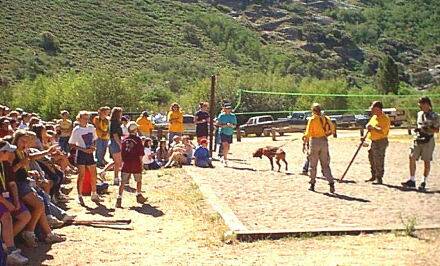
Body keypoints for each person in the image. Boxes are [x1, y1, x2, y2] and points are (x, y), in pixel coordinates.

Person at [0, 140, 30, 264]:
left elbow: (12, 184)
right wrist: (7, 204)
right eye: (9, 151)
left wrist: (16, 201)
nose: (12, 154)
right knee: (6, 217)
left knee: (25, 215)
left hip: (6, 196)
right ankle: (11, 250)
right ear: (2, 152)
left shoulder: (5, 164)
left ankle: (4, 243)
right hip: (2, 198)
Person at [402, 97, 439, 191]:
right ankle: (412, 180)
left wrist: (426, 129)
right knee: (411, 157)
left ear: (427, 104)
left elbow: (436, 130)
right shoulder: (419, 114)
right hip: (418, 139)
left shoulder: (435, 115)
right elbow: (419, 125)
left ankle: (423, 181)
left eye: (421, 104)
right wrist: (418, 129)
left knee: (426, 161)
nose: (420, 106)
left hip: (428, 140)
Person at [69, 111, 101, 205]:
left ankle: (94, 193)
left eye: (87, 118)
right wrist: (83, 149)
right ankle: (79, 195)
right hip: (81, 154)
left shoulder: (91, 128)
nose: (86, 120)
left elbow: (95, 139)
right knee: (81, 175)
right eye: (84, 118)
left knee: (93, 173)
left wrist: (93, 147)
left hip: (90, 153)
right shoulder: (76, 130)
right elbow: (72, 144)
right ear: (79, 119)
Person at [303, 103, 335, 193]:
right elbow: (332, 129)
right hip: (324, 141)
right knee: (325, 165)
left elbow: (308, 133)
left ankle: (312, 184)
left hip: (314, 142)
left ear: (313, 110)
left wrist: (304, 140)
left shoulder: (312, 119)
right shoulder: (325, 118)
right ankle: (331, 183)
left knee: (313, 165)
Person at [116, 122, 147, 208]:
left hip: (126, 163)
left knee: (123, 182)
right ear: (135, 130)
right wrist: (141, 163)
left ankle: (119, 198)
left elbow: (122, 152)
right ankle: (139, 195)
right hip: (135, 162)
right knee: (138, 180)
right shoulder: (137, 140)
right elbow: (140, 153)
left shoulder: (124, 139)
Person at [364, 101, 390, 185]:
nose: (372, 110)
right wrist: (367, 127)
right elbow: (369, 125)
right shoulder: (374, 117)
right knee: (371, 157)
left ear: (378, 109)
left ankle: (379, 177)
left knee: (379, 159)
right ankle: (373, 175)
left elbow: (383, 132)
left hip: (381, 141)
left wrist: (373, 128)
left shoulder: (385, 118)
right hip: (373, 141)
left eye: (373, 109)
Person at [109, 107, 124, 185]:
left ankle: (117, 177)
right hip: (115, 142)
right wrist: (120, 144)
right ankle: (116, 178)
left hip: (115, 142)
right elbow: (115, 135)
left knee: (118, 162)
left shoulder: (115, 122)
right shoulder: (114, 122)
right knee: (118, 162)